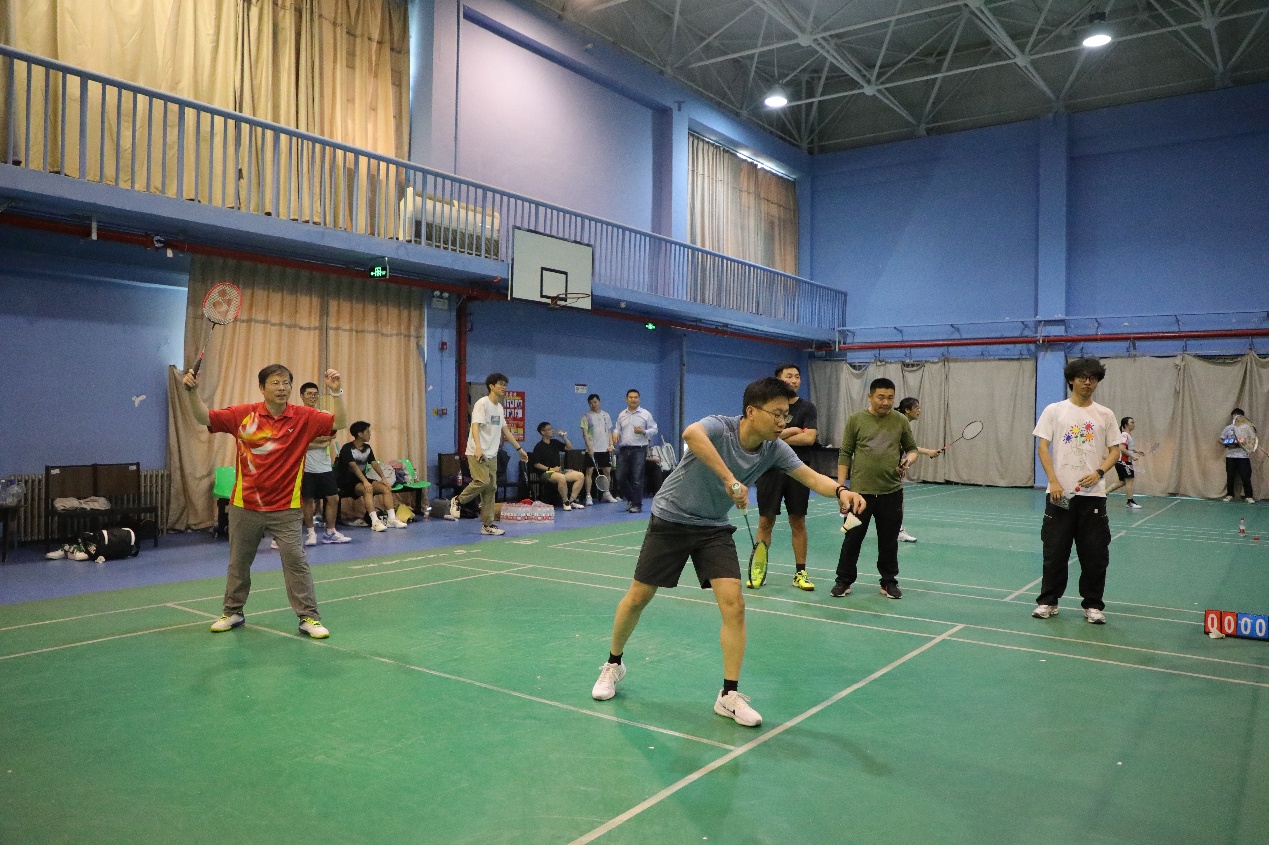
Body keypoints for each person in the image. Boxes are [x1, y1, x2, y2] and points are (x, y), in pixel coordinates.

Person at [590, 377, 866, 726]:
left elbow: (811, 477)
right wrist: (728, 478)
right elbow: (691, 434)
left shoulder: (774, 448)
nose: (783, 422)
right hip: (671, 518)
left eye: (786, 414)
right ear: (751, 411)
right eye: (777, 414)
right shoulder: (721, 427)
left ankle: (728, 695)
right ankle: (613, 664)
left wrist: (841, 491)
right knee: (638, 598)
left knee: (734, 604)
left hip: (713, 527)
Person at [183, 363, 346, 638]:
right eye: (275, 383)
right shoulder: (243, 415)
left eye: (286, 383)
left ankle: (309, 617)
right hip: (245, 505)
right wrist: (192, 392)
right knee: (239, 563)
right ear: (262, 387)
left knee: (296, 562)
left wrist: (337, 393)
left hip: (286, 507)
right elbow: (204, 417)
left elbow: (339, 423)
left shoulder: (304, 417)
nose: (282, 388)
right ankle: (233, 611)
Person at [1032, 357, 1121, 624]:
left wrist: (1099, 472)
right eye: (1082, 377)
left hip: (1093, 497)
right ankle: (1048, 601)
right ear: (1071, 380)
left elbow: (1115, 451)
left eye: (1093, 378)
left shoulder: (1105, 415)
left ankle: (1093, 605)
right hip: (1060, 496)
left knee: (1095, 555)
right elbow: (1042, 447)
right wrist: (1053, 481)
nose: (1087, 382)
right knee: (1055, 552)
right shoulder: (1054, 410)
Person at [833, 378, 918, 600]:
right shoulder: (856, 419)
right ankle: (843, 581)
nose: (886, 402)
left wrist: (908, 461)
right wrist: (841, 488)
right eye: (881, 397)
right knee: (852, 539)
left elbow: (912, 449)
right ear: (870, 397)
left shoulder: (900, 421)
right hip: (859, 494)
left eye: (890, 398)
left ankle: (888, 582)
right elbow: (845, 453)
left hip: (891, 493)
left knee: (889, 541)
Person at [753, 363, 820, 590]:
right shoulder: (768, 406)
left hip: (798, 471)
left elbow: (809, 438)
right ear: (778, 380)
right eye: (789, 376)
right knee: (765, 521)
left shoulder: (807, 408)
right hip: (769, 470)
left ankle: (800, 573)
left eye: (797, 376)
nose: (794, 380)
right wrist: (793, 431)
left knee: (798, 521)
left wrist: (778, 436)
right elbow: (763, 437)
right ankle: (758, 570)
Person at [450, 373, 530, 534]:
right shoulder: (482, 403)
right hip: (477, 452)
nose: (503, 387)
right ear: (491, 386)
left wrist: (519, 449)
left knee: (491, 488)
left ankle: (487, 525)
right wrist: (478, 447)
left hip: (492, 454)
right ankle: (458, 500)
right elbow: (475, 426)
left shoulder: (499, 407)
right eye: (500, 384)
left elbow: (505, 431)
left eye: (505, 384)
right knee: (482, 481)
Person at [299, 382, 352, 544]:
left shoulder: (324, 415)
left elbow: (331, 436)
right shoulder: (299, 416)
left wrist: (313, 441)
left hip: (324, 466)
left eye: (315, 394)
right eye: (309, 394)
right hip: (306, 467)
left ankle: (330, 532)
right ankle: (311, 533)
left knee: (333, 498)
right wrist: (320, 441)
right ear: (302, 396)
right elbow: (300, 443)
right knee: (307, 500)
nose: (313, 396)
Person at [336, 421, 408, 531]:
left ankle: (391, 519)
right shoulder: (347, 448)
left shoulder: (367, 448)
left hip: (362, 479)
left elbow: (374, 463)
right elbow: (354, 467)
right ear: (360, 434)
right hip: (347, 481)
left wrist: (384, 479)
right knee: (368, 490)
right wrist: (365, 482)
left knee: (386, 489)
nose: (370, 434)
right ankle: (375, 522)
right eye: (367, 431)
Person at [895, 397, 943, 542]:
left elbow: (908, 447)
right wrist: (928, 452)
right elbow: (904, 446)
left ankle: (896, 530)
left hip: (894, 468)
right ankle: (897, 531)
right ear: (907, 410)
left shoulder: (902, 423)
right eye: (916, 407)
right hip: (886, 469)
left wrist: (903, 461)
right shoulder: (898, 423)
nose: (919, 410)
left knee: (895, 500)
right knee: (893, 500)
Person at [613, 388, 658, 513]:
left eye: (635, 397)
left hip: (639, 449)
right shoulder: (622, 414)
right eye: (631, 397)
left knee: (637, 478)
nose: (633, 399)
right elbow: (617, 428)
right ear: (626, 399)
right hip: (624, 449)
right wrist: (615, 433)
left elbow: (654, 429)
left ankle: (637, 505)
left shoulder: (645, 414)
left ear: (639, 399)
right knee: (619, 477)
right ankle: (631, 499)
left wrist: (644, 431)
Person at [530, 422, 586, 509]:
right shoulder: (538, 447)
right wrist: (551, 469)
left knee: (580, 475)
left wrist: (564, 437)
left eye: (551, 428)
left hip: (558, 471)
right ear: (543, 432)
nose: (552, 430)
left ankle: (571, 501)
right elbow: (536, 464)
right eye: (549, 429)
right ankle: (565, 502)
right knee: (561, 477)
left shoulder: (555, 442)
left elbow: (569, 448)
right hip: (545, 473)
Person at [580, 393, 619, 505]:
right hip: (592, 449)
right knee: (589, 472)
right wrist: (589, 448)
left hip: (605, 448)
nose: (593, 404)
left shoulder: (606, 415)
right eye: (590, 403)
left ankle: (606, 493)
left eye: (595, 402)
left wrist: (611, 444)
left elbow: (609, 431)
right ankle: (588, 496)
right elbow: (585, 434)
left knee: (607, 471)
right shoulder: (585, 417)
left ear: (599, 402)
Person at [1104, 416, 1143, 509]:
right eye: (1131, 422)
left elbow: (1127, 447)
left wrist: (1136, 451)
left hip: (1122, 462)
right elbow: (1121, 448)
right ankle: (1130, 502)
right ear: (1125, 425)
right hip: (1124, 462)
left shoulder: (1126, 436)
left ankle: (1103, 494)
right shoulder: (1124, 435)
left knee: (1122, 482)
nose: (1134, 424)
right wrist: (1132, 455)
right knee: (1129, 480)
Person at [1220, 409, 1256, 503]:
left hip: (1243, 456)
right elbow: (1220, 440)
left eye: (1238, 416)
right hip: (1230, 456)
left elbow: (1252, 439)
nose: (1236, 418)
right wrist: (1230, 442)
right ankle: (1230, 494)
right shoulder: (1228, 428)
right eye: (1234, 416)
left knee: (1246, 476)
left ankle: (1249, 496)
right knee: (1230, 476)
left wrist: (1247, 444)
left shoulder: (1247, 428)